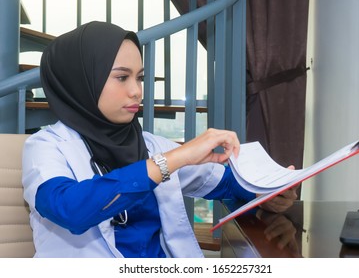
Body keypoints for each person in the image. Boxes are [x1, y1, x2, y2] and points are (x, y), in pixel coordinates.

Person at [22, 21, 297, 258]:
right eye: (121, 77)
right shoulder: (46, 147)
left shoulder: (151, 146)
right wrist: (173, 160)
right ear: (80, 81)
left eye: (140, 78)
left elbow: (225, 183)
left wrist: (268, 192)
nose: (136, 92)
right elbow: (70, 210)